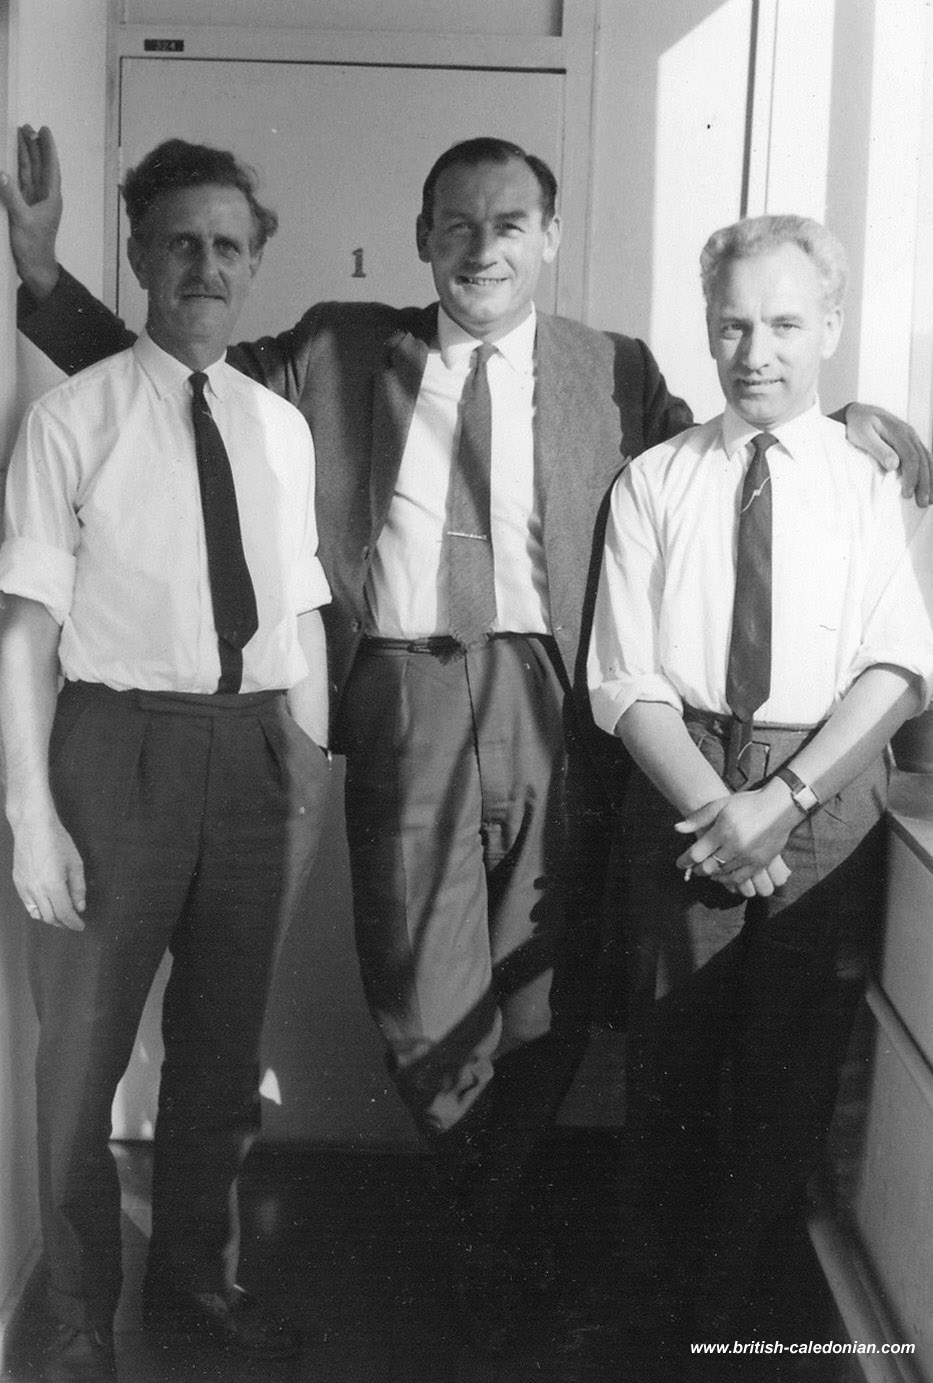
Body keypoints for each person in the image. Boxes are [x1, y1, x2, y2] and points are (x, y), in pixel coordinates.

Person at [2, 129, 930, 1354]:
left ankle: (483, 1232)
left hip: (562, 704)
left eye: (509, 224)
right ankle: (491, 1214)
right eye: (458, 224)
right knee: (417, 990)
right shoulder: (338, 349)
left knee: (547, 997)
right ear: (423, 239)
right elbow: (176, 376)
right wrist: (42, 274)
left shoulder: (615, 367)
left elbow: (738, 452)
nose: (483, 247)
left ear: (549, 240)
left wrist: (864, 423)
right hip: (408, 690)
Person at [0, 139, 332, 1382]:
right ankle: (77, 1320)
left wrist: (307, 764)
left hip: (255, 758)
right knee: (79, 1061)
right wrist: (33, 817)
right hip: (114, 754)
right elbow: (25, 633)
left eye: (228, 246)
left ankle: (198, 1289)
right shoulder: (70, 419)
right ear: (139, 254)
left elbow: (297, 612)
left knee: (219, 1057)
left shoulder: (280, 426)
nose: (205, 265)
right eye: (181, 242)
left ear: (254, 266)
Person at [587, 213, 933, 1345]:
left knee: (790, 1078)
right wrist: (717, 808)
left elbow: (898, 665)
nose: (756, 352)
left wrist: (782, 803)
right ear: (707, 326)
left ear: (829, 325)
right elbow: (622, 679)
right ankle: (652, 1326)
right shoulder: (653, 480)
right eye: (734, 324)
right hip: (684, 780)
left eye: (785, 324)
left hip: (825, 786)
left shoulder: (871, 481)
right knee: (670, 1067)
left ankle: (742, 1330)